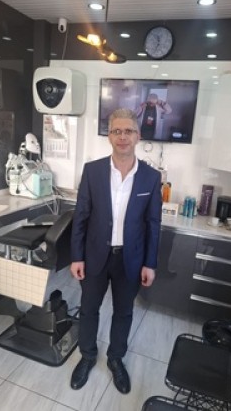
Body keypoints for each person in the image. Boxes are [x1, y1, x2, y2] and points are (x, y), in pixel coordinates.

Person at [69, 108, 162, 394]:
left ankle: (115, 359)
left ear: (138, 136)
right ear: (109, 136)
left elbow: (153, 223)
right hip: (95, 256)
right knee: (88, 309)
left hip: (130, 259)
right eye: (117, 131)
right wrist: (76, 256)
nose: (123, 137)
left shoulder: (151, 177)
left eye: (128, 131)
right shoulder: (93, 171)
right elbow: (81, 216)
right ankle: (87, 356)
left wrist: (150, 263)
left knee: (123, 312)